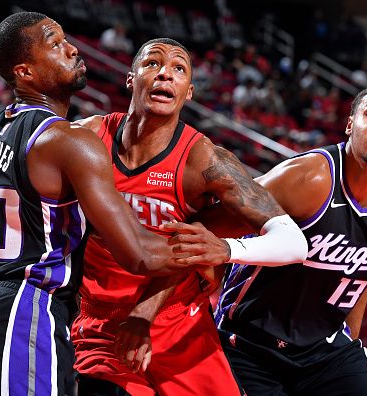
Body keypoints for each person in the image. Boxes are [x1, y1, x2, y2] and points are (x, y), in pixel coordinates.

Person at [0, 13, 233, 396]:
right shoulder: (70, 140)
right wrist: (227, 245)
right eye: (54, 44)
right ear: (25, 72)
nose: (71, 49)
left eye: (67, 39)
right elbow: (139, 255)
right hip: (27, 310)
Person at [71, 38, 307, 395]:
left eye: (179, 68)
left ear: (189, 92)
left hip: (178, 320)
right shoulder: (87, 138)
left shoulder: (205, 161)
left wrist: (227, 250)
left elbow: (293, 242)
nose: (165, 73)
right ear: (130, 79)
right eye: (152, 63)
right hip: (102, 320)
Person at [184, 84, 367, 395]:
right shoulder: (308, 178)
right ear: (349, 125)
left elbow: (363, 276)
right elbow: (207, 226)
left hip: (324, 351)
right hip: (249, 344)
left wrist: (351, 336)